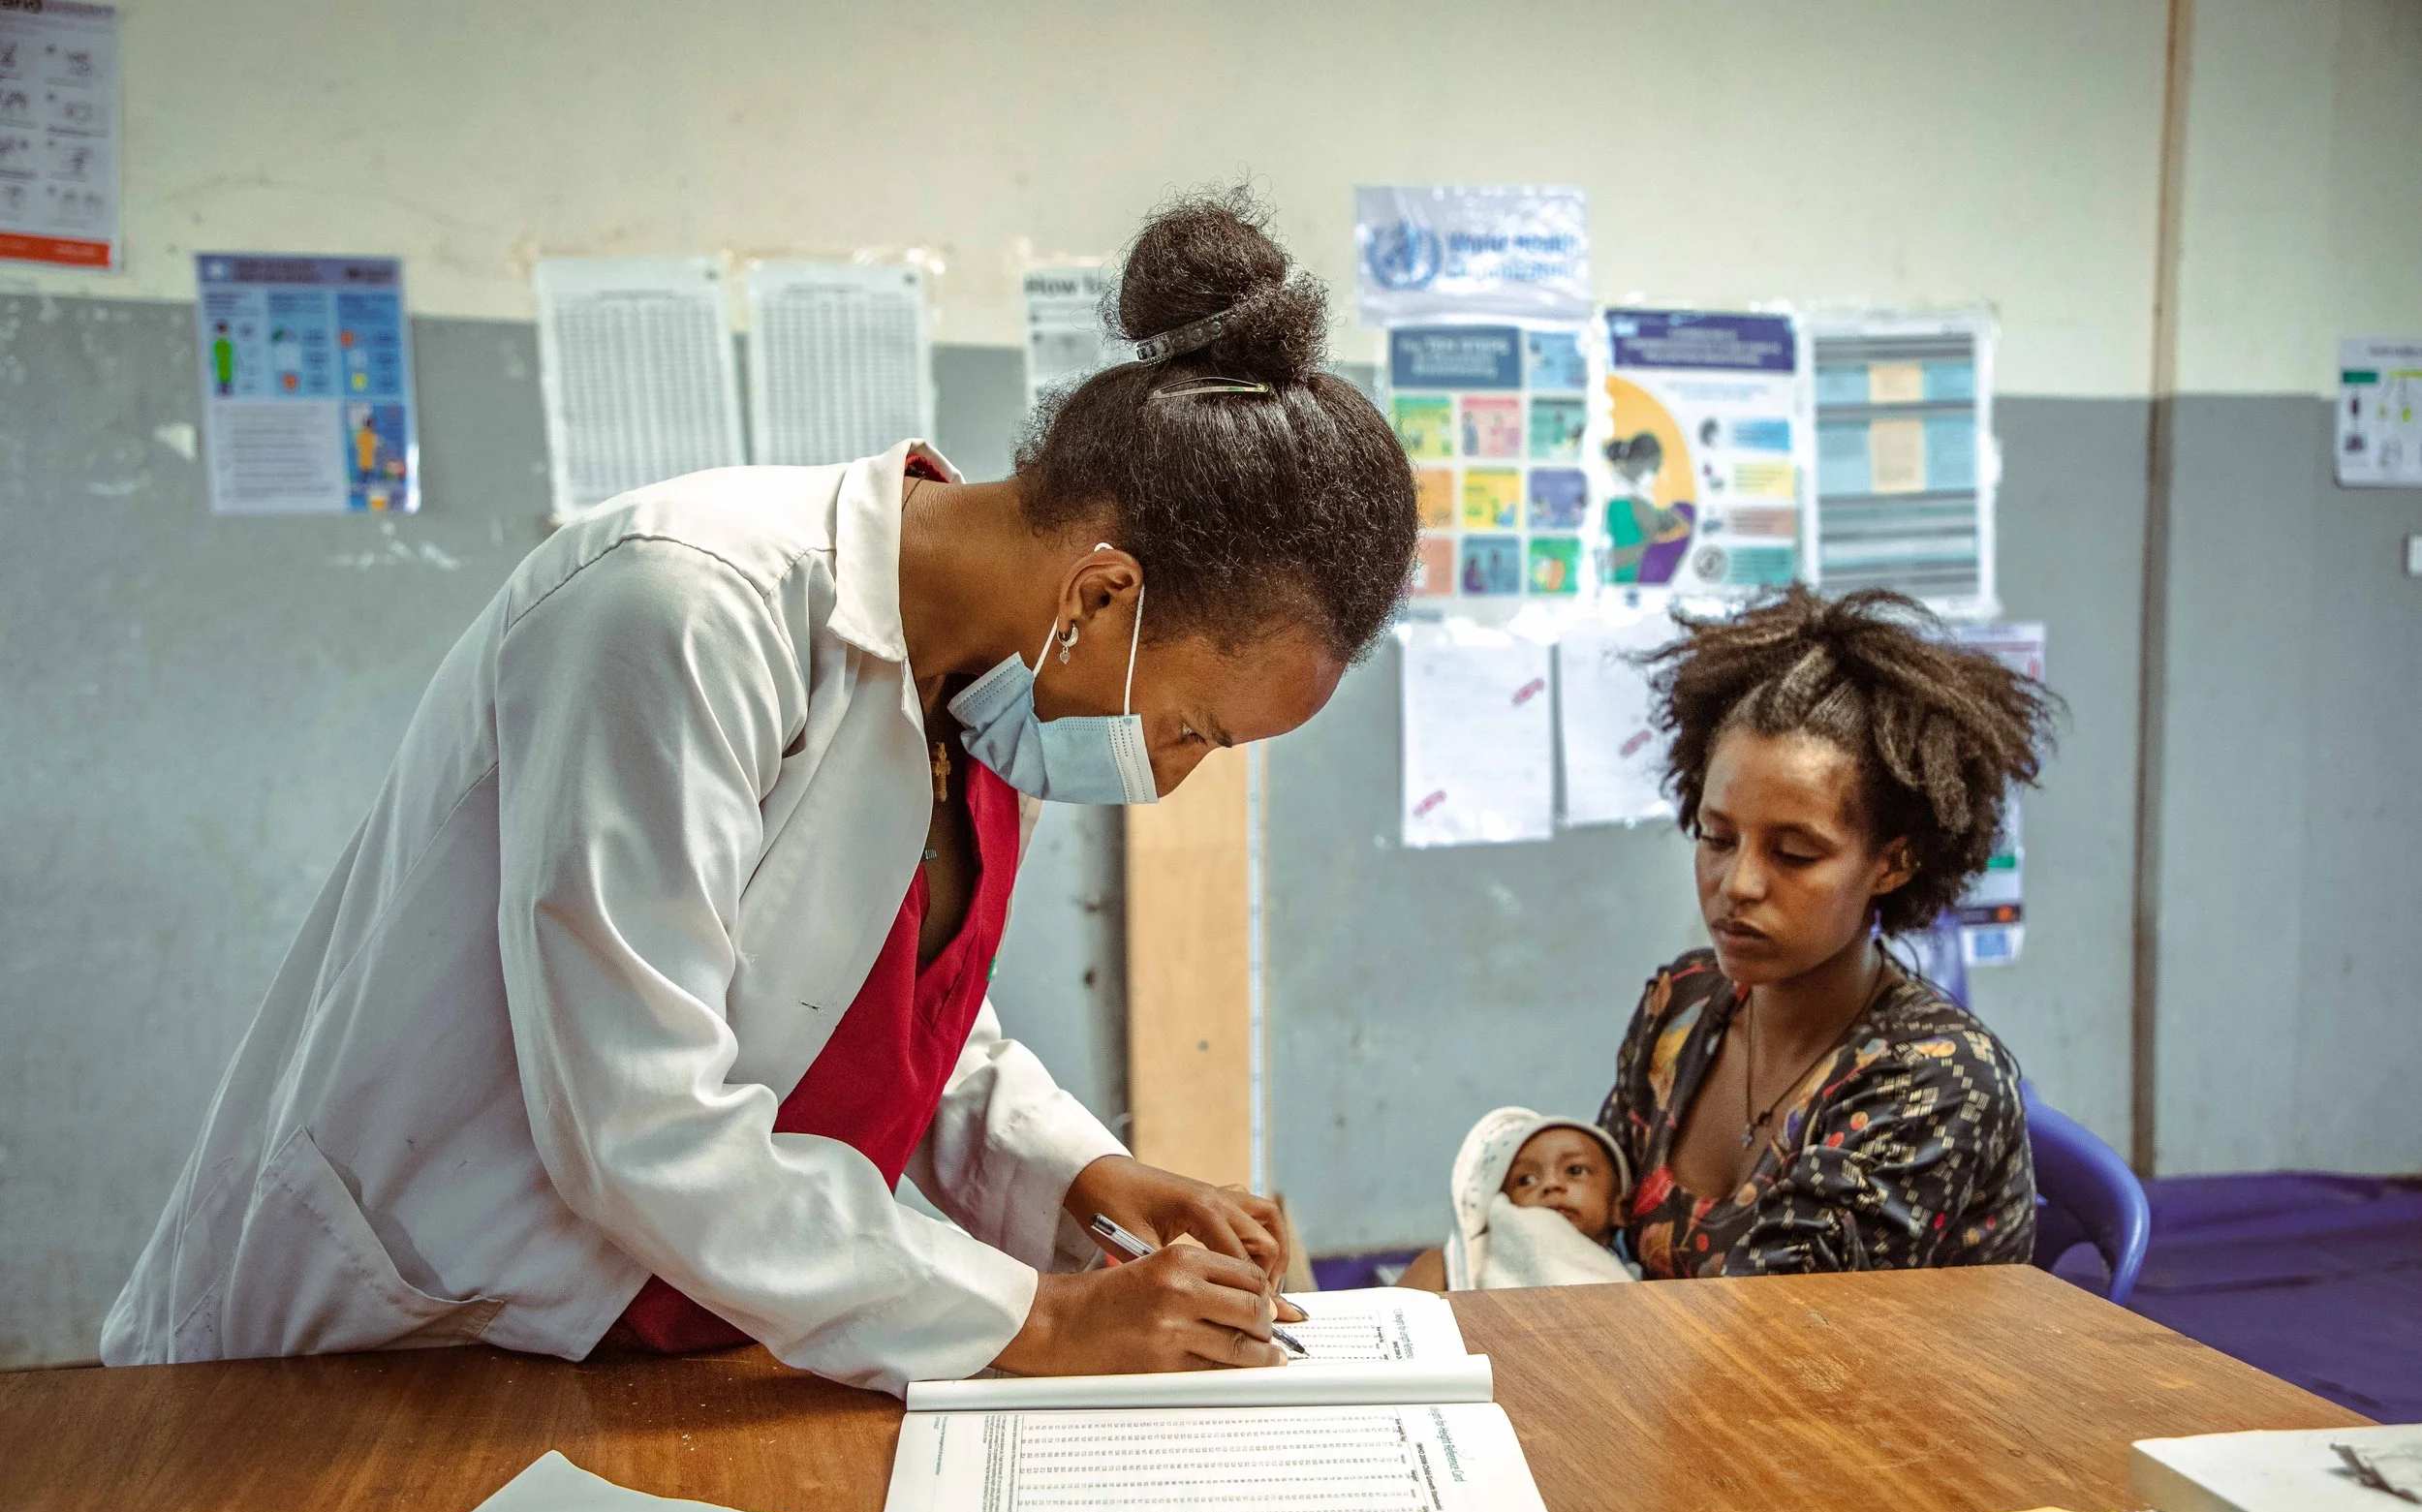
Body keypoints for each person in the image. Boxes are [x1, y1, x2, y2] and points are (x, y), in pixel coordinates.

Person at [102, 191, 1418, 1393]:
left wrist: (1089, 1172)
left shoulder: (959, 685)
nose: (1175, 776)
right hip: (391, 1347)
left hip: (647, 1349)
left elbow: (882, 1017)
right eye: (1194, 727)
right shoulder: (679, 607)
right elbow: (639, 1118)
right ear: (1102, 594)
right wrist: (1047, 1321)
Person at [1604, 586, 2057, 1278]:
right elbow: (1585, 1217)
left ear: (1893, 861)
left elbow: (1773, 1337)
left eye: (1794, 853)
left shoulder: (1932, 1080)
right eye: (1718, 837)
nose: (1740, 884)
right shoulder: (1684, 1002)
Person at [1396, 1108, 1636, 1291]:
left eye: (1574, 1171)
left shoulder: (1638, 1283)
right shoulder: (1457, 1265)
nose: (1551, 1185)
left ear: (1621, 1209)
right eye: (1526, 1180)